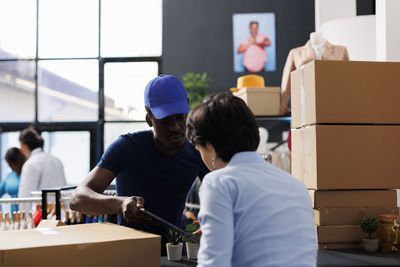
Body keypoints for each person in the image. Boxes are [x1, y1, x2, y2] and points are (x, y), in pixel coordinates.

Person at [70, 75, 208, 255]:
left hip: (175, 253)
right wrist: (121, 203)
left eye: (181, 118)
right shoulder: (126, 147)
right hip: (129, 255)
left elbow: (223, 191)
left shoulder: (198, 150)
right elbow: (77, 199)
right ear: (149, 117)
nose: (175, 127)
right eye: (165, 121)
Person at [186, 92, 317, 267]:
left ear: (209, 148)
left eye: (199, 150)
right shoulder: (295, 185)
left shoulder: (218, 183)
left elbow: (213, 263)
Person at [18, 128, 67, 204]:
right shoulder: (56, 160)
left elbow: (25, 196)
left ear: (23, 145)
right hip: (60, 211)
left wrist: (24, 214)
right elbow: (64, 191)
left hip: (40, 213)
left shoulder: (31, 163)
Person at [0, 147, 26, 214]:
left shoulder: (27, 174)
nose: (10, 166)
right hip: (13, 215)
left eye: (12, 163)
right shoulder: (10, 176)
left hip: (28, 212)